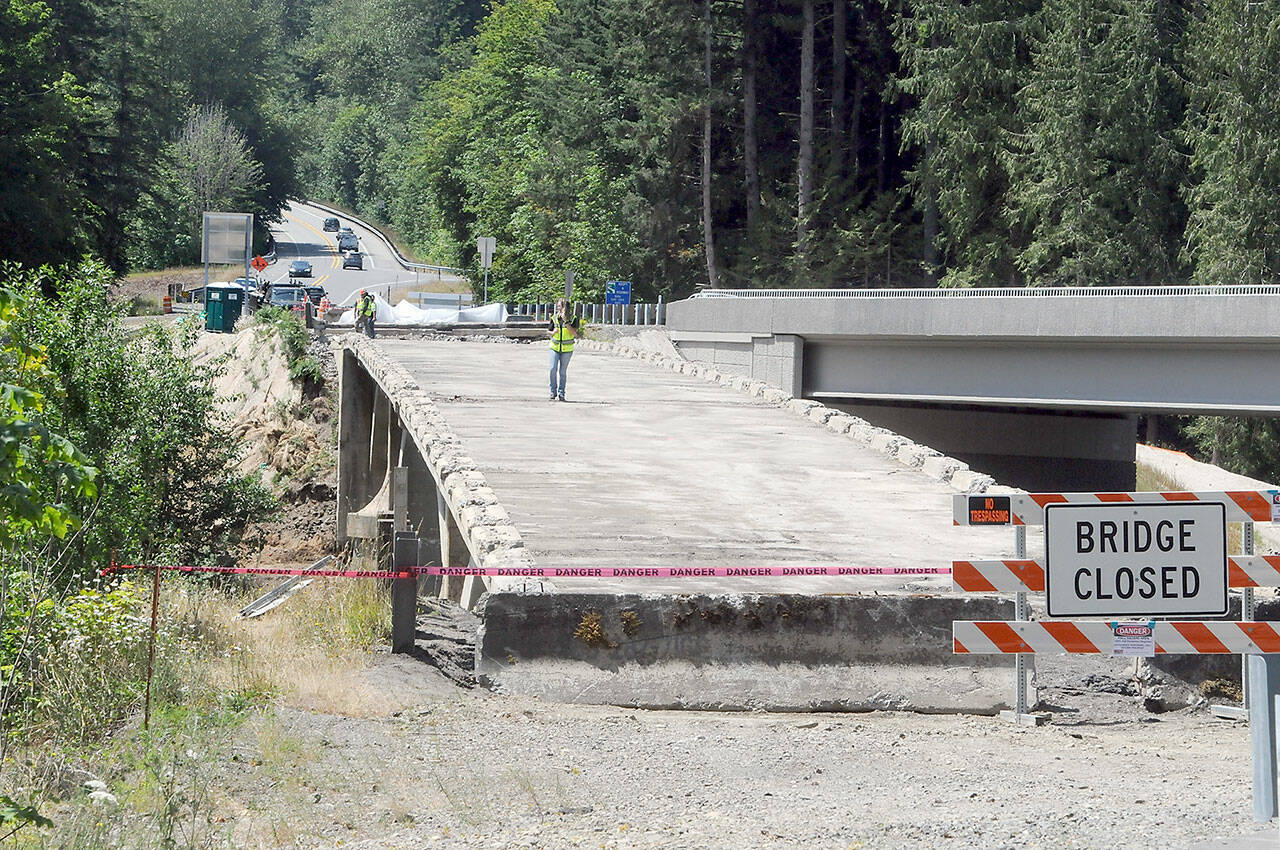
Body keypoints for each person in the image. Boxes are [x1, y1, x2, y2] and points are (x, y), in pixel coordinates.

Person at [547, 298, 580, 401]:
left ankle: (561, 393)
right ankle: (553, 391)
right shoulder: (554, 318)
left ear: (565, 307)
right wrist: (553, 333)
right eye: (557, 306)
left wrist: (566, 322)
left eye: (559, 306)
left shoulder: (574, 318)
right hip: (554, 347)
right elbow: (548, 331)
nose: (558, 308)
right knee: (552, 369)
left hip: (567, 349)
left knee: (562, 372)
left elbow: (574, 333)